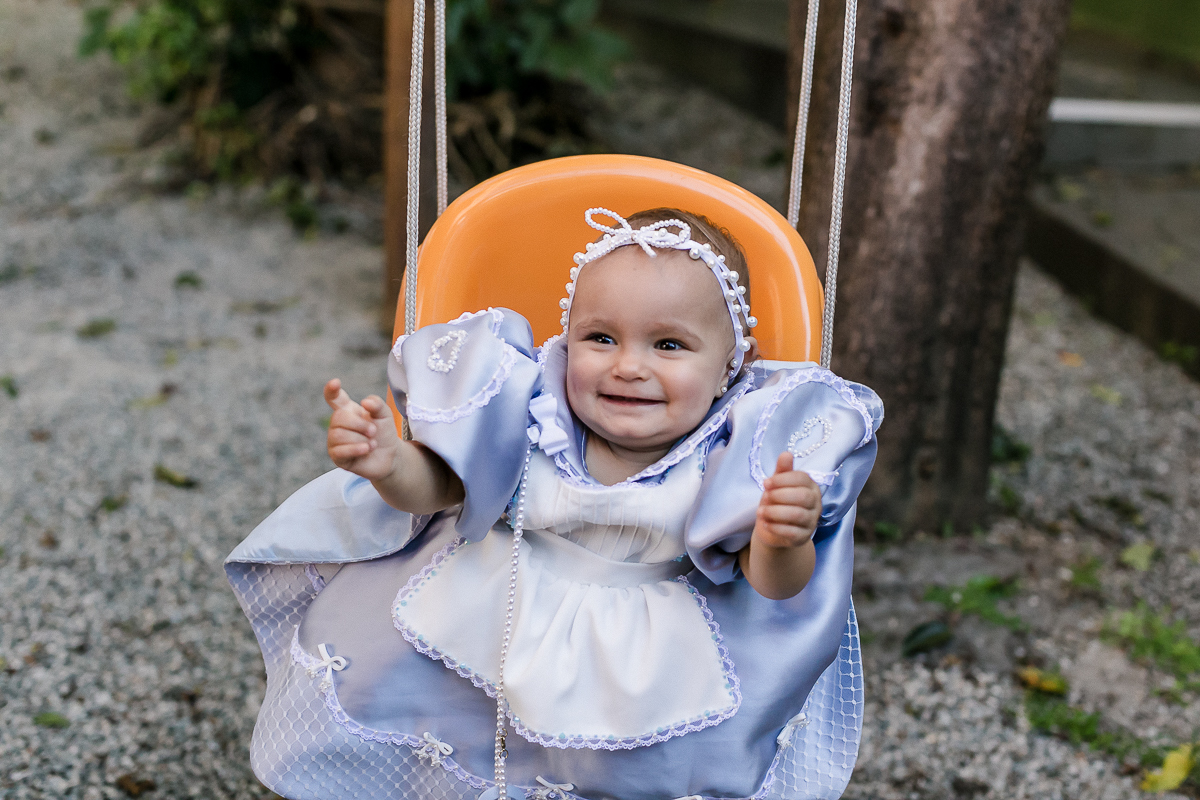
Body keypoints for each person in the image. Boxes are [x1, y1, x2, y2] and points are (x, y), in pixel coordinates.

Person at [226, 207, 883, 800]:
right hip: (495, 604)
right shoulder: (531, 411)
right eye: (601, 338)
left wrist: (781, 537)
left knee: (634, 765)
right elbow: (441, 487)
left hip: (651, 651)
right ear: (567, 340)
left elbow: (774, 587)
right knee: (418, 704)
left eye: (669, 345)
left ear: (733, 365)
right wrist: (388, 461)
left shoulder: (740, 452)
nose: (628, 366)